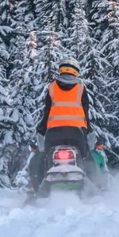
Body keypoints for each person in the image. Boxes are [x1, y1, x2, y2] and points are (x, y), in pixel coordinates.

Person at [28, 57, 95, 193]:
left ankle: (39, 188)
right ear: (76, 71)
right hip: (77, 132)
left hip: (53, 133)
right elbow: (85, 111)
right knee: (86, 157)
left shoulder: (52, 87)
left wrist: (41, 129)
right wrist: (89, 129)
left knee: (45, 158)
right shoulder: (81, 88)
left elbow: (47, 111)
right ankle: (94, 185)